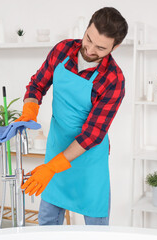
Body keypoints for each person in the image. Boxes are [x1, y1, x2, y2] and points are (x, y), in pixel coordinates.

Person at [15, 7, 128, 226]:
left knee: (96, 226)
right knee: (47, 221)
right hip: (58, 146)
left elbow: (92, 135)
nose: (90, 49)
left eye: (101, 47)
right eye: (89, 39)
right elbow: (37, 85)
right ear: (86, 28)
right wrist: (29, 110)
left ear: (116, 46)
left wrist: (51, 167)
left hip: (89, 158)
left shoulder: (113, 79)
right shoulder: (62, 50)